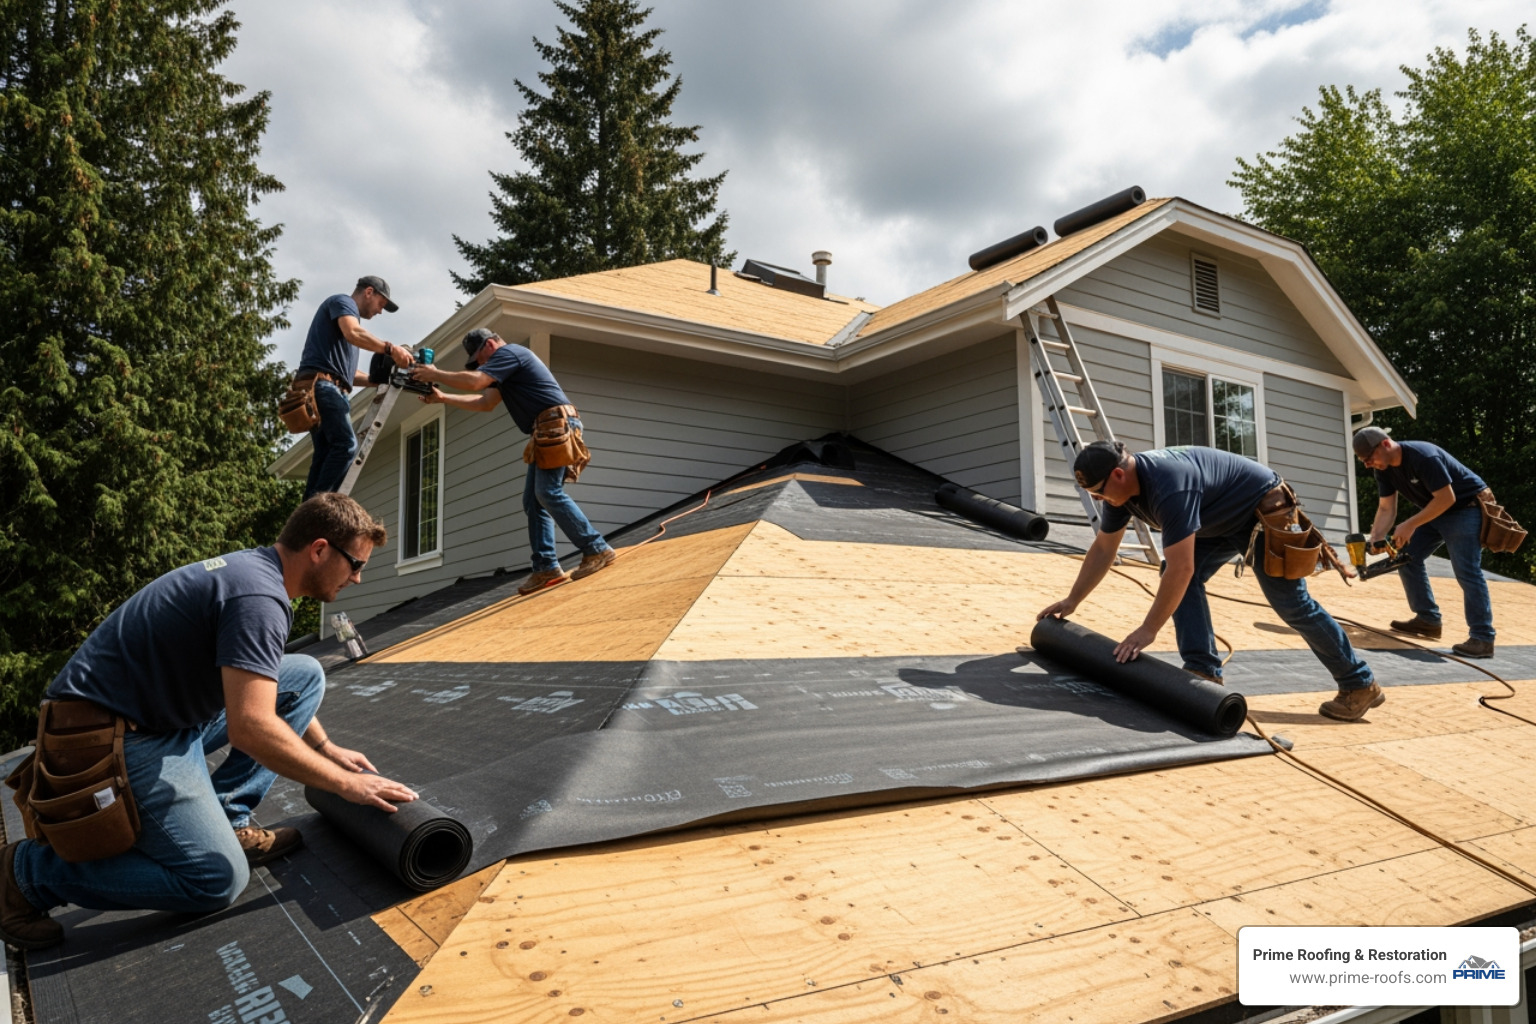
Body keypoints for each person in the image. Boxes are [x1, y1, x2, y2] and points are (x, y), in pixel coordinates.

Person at [1, 494, 418, 950]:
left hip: (151, 716)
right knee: (215, 880)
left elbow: (264, 685)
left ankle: (229, 816)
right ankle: (25, 875)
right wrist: (345, 784)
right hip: (110, 739)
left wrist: (326, 748)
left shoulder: (257, 574)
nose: (357, 577)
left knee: (303, 675)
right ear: (319, 550)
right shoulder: (259, 597)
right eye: (355, 563)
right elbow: (251, 727)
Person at [1037, 441, 1383, 722]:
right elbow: (1103, 549)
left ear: (1117, 473)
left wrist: (1147, 630)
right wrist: (1072, 601)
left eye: (1098, 493)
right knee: (1176, 579)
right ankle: (1204, 671)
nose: (1098, 500)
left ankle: (1359, 683)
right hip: (1216, 517)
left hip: (1261, 509)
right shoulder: (1119, 492)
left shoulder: (1168, 486)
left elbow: (1181, 568)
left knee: (1291, 604)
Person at [409, 329, 615, 594]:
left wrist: (435, 374)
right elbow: (485, 402)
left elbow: (477, 382)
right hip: (545, 427)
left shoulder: (510, 353)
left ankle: (596, 549)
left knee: (547, 492)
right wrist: (443, 397)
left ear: (491, 344)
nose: (480, 364)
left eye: (479, 358)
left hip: (555, 423)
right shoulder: (502, 369)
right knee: (533, 500)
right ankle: (546, 568)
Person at [1354, 426, 1496, 658]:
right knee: (1407, 559)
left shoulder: (1423, 456)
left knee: (1466, 571)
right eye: (1363, 461)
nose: (1368, 464)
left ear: (1386, 444)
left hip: (1465, 508)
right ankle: (1427, 620)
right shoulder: (1384, 469)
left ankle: (1482, 639)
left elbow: (1447, 497)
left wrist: (1411, 524)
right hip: (1435, 511)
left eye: (1369, 458)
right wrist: (1377, 537)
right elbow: (1386, 507)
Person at [294, 276, 413, 499]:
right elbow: (354, 333)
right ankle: (321, 506)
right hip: (323, 387)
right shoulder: (343, 303)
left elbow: (346, 374)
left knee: (325, 453)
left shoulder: (345, 327)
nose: (380, 311)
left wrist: (374, 381)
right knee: (346, 446)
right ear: (369, 292)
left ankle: (307, 512)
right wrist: (391, 349)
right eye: (381, 304)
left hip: (324, 385)